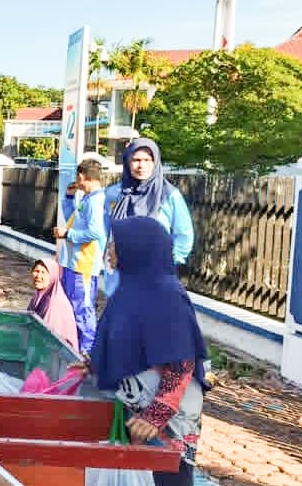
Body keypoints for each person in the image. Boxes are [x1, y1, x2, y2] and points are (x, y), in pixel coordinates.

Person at [90, 216, 209, 486]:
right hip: (143, 405)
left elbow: (180, 362)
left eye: (116, 246)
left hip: (170, 414)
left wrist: (157, 414)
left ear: (138, 250)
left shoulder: (165, 295)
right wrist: (93, 364)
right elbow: (125, 341)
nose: (110, 252)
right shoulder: (134, 290)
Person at [104, 138, 194, 295]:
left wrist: (168, 262)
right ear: (127, 161)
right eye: (136, 160)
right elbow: (105, 231)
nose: (141, 166)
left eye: (147, 160)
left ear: (156, 162)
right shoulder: (114, 194)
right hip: (119, 278)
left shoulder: (169, 195)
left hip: (155, 277)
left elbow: (184, 236)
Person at [53, 158, 107, 353]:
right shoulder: (86, 198)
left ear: (81, 176)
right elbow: (73, 221)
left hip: (83, 265)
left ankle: (88, 351)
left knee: (83, 310)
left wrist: (67, 234)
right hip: (73, 263)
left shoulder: (96, 201)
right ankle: (76, 347)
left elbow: (95, 233)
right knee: (71, 308)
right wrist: (68, 198)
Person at [27, 258, 79, 352]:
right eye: (36, 271)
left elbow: (48, 340)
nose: (38, 276)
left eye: (43, 272)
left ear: (53, 277)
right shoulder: (38, 296)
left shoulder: (56, 304)